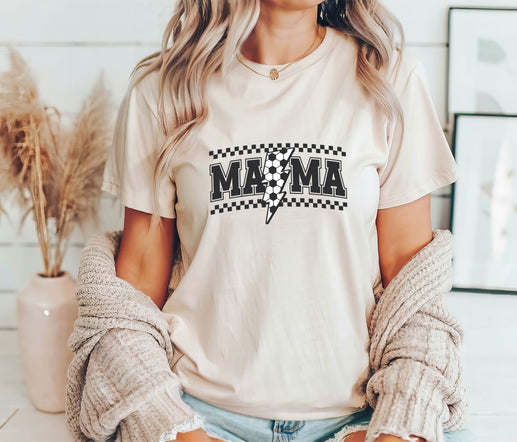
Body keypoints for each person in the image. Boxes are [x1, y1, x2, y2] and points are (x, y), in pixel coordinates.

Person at [100, 1, 474, 441]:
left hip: (359, 418)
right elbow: (132, 299)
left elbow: (413, 293)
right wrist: (170, 426)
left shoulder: (389, 79)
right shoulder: (163, 90)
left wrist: (400, 424)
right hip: (198, 416)